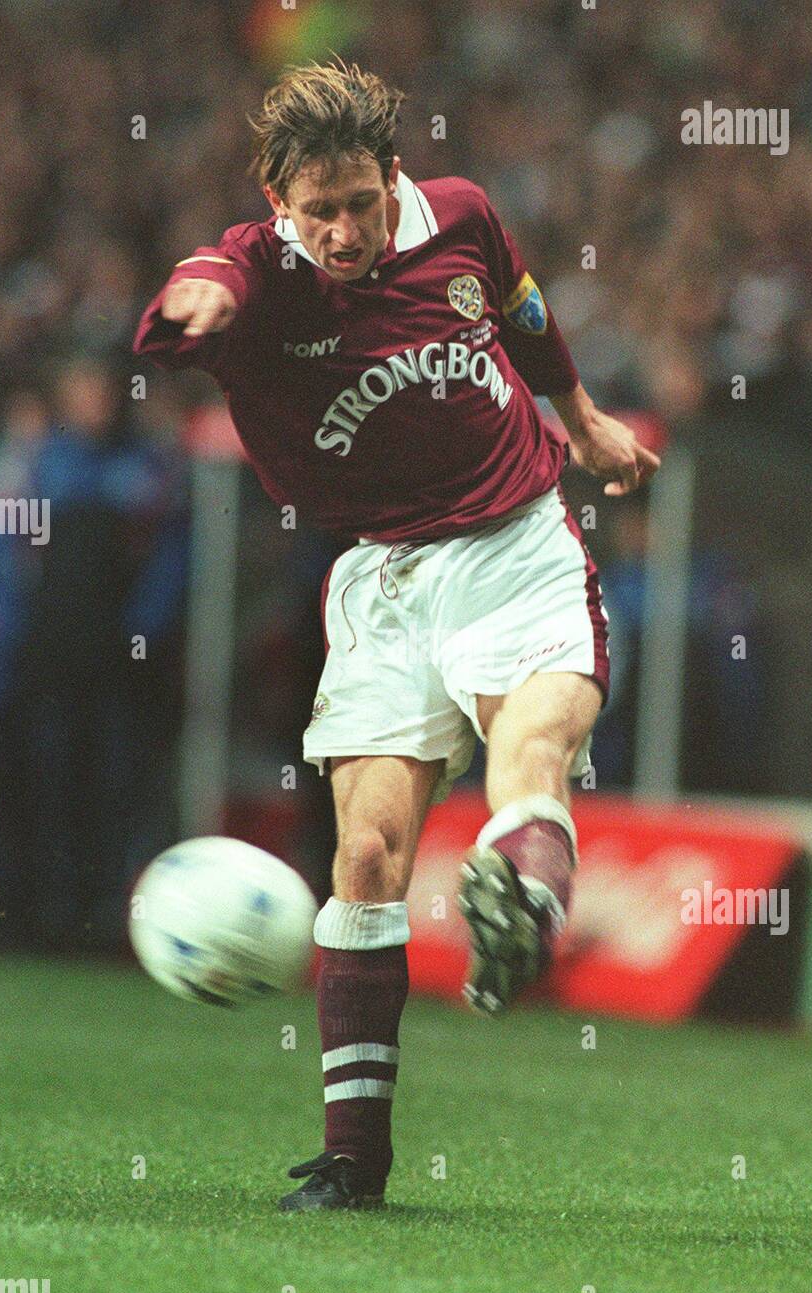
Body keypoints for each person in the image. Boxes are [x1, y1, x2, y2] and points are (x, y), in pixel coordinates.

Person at [134, 60, 659, 1211]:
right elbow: (198, 283)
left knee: (527, 748)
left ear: (393, 180)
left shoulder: (461, 215)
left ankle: (526, 883)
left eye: (359, 203)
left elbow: (519, 303)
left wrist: (581, 420)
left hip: (515, 542)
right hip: (380, 580)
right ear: (279, 203)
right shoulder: (256, 272)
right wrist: (194, 304)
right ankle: (353, 1166)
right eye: (316, 210)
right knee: (365, 860)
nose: (341, 229)